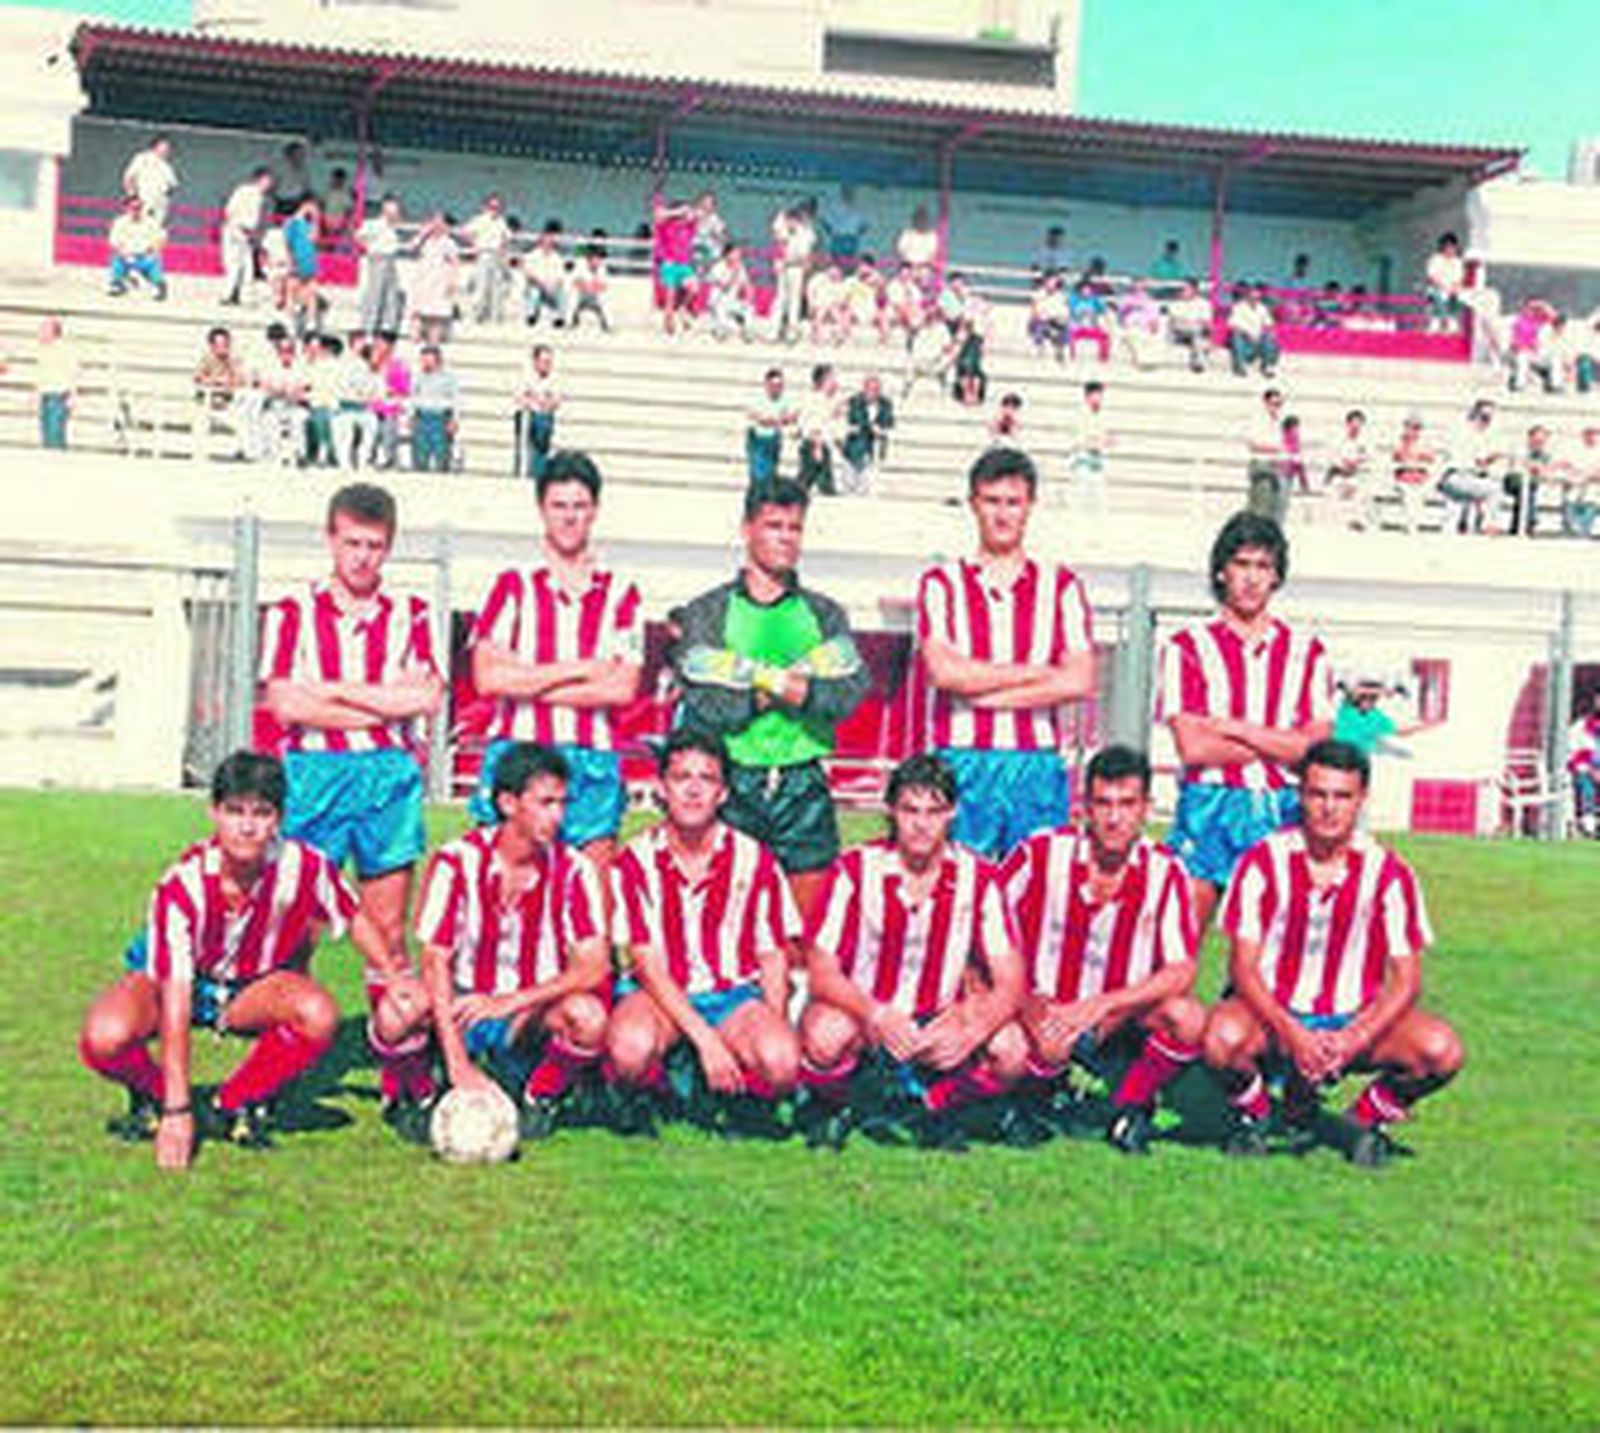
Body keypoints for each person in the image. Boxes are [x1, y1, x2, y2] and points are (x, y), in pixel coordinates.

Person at [78, 751, 393, 1167]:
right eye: (234, 811)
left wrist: (394, 976)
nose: (247, 826)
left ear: (279, 818)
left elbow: (352, 916)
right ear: (214, 813)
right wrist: (177, 1110)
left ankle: (235, 1103)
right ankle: (157, 1096)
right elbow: (176, 999)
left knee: (318, 1013)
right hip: (174, 982)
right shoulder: (183, 884)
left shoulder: (304, 865)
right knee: (105, 1036)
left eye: (261, 813)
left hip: (251, 987)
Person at [257, 483, 445, 1110]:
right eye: (352, 543)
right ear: (329, 539)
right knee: (297, 924)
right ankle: (287, 1061)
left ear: (388, 547)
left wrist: (332, 691)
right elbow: (286, 702)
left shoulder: (410, 615)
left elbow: (423, 698)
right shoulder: (291, 612)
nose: (362, 557)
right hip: (313, 777)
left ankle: (398, 1071)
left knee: (388, 928)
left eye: (374, 546)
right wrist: (377, 697)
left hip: (386, 777)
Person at [1203, 739, 1465, 1165]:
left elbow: (1407, 979)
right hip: (1275, 1016)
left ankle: (1360, 1120)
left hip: (1352, 1019)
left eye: (1342, 796)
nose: (1329, 807)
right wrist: (1294, 1036)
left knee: (1441, 1050)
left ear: (1361, 799)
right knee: (1220, 1038)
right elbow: (1243, 968)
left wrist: (1351, 1040)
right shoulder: (1262, 862)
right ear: (1300, 795)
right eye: (1318, 794)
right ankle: (1259, 1117)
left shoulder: (1389, 872)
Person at [799, 753, 1026, 1148]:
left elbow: (1011, 979)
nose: (921, 824)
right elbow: (821, 971)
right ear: (890, 810)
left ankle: (933, 1105)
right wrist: (875, 1014)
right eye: (910, 810)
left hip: (940, 1017)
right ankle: (841, 1104)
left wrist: (974, 1029)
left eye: (934, 811)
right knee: (824, 1035)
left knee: (1011, 1049)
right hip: (868, 1011)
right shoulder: (854, 869)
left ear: (952, 813)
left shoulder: (980, 878)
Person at [668, 479, 869, 920]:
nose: (785, 537)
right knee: (725, 928)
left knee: (804, 931)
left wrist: (750, 676)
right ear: (747, 530)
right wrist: (795, 683)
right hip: (731, 783)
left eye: (794, 528)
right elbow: (709, 703)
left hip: (803, 783)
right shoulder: (708, 611)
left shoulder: (824, 612)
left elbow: (845, 696)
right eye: (773, 525)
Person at [998, 745, 1205, 1152]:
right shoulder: (1040, 853)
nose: (1113, 818)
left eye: (1126, 804)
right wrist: (1021, 999)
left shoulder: (1165, 870)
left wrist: (1108, 1004)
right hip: (1043, 1007)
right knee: (1040, 1044)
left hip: (1117, 1016)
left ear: (1146, 807)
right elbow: (983, 926)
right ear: (1085, 807)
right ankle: (1028, 1102)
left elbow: (1181, 968)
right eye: (1103, 804)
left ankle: (1127, 1106)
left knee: (1188, 1017)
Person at [406, 742, 611, 1137]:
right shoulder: (456, 861)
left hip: (527, 1010)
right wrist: (457, 1063)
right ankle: (421, 1094)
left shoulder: (574, 869)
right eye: (546, 803)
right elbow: (435, 963)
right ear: (507, 803)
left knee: (589, 1017)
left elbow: (594, 965)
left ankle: (539, 1096)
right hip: (463, 1002)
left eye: (562, 803)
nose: (558, 816)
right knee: (400, 1007)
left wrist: (512, 1001)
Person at [606, 731, 802, 1125]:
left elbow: (772, 953)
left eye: (707, 779)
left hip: (731, 996)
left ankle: (732, 1088)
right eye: (682, 778)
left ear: (723, 793)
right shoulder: (634, 861)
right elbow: (646, 964)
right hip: (660, 996)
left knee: (781, 1062)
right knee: (630, 1049)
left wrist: (774, 1023)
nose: (693, 791)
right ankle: (667, 1085)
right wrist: (706, 1040)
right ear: (662, 787)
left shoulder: (754, 858)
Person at [468, 449, 643, 874]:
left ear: (595, 511)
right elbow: (488, 678)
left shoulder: (620, 591)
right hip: (517, 751)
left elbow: (621, 688)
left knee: (590, 909)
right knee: (505, 900)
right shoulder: (512, 585)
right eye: (559, 506)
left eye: (579, 506)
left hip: (591, 757)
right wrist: (582, 667)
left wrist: (526, 675)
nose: (569, 517)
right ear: (542, 510)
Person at [915, 447, 1095, 859]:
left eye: (1012, 502)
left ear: (1030, 506)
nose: (1002, 514)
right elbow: (945, 673)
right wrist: (1038, 673)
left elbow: (1081, 679)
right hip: (960, 760)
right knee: (957, 891)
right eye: (991, 501)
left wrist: (979, 690)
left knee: (1037, 897)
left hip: (1035, 762)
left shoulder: (1061, 585)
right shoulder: (942, 583)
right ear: (973, 504)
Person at [1158, 512, 1333, 931]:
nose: (1252, 578)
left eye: (1263, 567)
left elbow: (1311, 752)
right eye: (1242, 564)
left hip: (1282, 807)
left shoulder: (1306, 652)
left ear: (1276, 576)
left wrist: (1236, 727)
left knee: (1272, 960)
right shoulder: (1187, 647)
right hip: (1210, 803)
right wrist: (1280, 740)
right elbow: (1195, 748)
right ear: (1222, 570)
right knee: (1177, 948)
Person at [1439, 398, 1512, 535]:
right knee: (1494, 490)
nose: (1487, 421)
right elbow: (1472, 461)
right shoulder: (1463, 432)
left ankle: (1476, 525)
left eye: (1489, 417)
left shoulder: (1486, 435)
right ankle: (1489, 524)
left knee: (1490, 484)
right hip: (1456, 476)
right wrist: (1487, 460)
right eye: (1484, 417)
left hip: (1471, 477)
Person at [1333, 673, 1440, 759]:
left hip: (1368, 749)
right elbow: (1355, 691)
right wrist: (1385, 691)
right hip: (1345, 751)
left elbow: (1400, 732)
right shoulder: (1347, 710)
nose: (1369, 701)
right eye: (1364, 697)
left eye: (1373, 698)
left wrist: (1424, 727)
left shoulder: (1375, 716)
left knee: (1405, 754)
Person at [221, 167, 274, 306]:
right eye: (268, 180)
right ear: (260, 179)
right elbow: (230, 211)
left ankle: (235, 295)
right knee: (238, 265)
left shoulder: (259, 196)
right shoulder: (246, 192)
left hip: (243, 231)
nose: (269, 184)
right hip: (238, 230)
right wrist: (241, 229)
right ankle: (232, 294)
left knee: (243, 266)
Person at [356, 194, 406, 336]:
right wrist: (370, 248)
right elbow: (359, 236)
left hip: (390, 259)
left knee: (391, 294)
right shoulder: (374, 224)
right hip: (378, 258)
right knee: (375, 294)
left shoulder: (395, 227)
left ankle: (387, 327)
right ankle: (368, 328)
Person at [408, 210, 460, 345]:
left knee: (436, 316)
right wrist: (423, 233)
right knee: (417, 313)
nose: (436, 224)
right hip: (423, 279)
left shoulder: (449, 243)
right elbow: (412, 248)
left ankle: (433, 346)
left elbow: (454, 263)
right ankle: (414, 341)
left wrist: (452, 282)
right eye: (434, 221)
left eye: (440, 221)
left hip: (439, 281)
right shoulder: (425, 240)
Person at [462, 192, 513, 325]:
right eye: (492, 207)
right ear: (485, 207)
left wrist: (503, 252)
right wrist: (474, 245)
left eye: (497, 207)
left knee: (497, 288)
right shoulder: (479, 220)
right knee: (481, 287)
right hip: (484, 254)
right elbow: (465, 232)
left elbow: (507, 238)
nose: (495, 210)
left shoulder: (502, 222)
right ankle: (475, 318)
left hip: (497, 256)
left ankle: (494, 319)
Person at [409, 343, 460, 473]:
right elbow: (412, 397)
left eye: (428, 360)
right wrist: (411, 416)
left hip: (440, 418)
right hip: (422, 417)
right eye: (423, 360)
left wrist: (454, 419)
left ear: (437, 360)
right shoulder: (418, 377)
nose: (425, 363)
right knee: (420, 454)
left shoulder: (448, 379)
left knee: (441, 453)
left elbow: (455, 400)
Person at [1244, 387, 1292, 525]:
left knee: (1276, 506)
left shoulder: (1279, 422)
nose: (1276, 407)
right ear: (1265, 402)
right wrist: (1276, 449)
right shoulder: (1258, 419)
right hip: (1262, 464)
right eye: (1273, 403)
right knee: (1260, 506)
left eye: (1279, 404)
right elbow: (1253, 444)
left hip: (1276, 466)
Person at [771, 202, 817, 343]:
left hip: (796, 268)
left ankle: (792, 331)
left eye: (793, 220)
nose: (790, 223)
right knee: (780, 298)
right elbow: (778, 242)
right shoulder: (783, 229)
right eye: (788, 220)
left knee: (794, 300)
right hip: (783, 267)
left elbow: (806, 254)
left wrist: (804, 265)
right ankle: (774, 330)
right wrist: (778, 261)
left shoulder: (806, 233)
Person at [841, 372, 894, 495]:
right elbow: (858, 420)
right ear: (864, 389)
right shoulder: (854, 401)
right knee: (849, 485)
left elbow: (889, 422)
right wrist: (872, 428)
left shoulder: (885, 404)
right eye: (870, 389)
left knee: (867, 488)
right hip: (854, 447)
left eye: (876, 390)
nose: (873, 393)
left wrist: (881, 429)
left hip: (873, 449)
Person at [514, 343, 561, 481]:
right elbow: (520, 399)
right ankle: (524, 470)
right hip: (527, 415)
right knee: (528, 418)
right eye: (544, 361)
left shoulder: (554, 379)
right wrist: (538, 402)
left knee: (543, 421)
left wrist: (538, 402)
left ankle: (539, 471)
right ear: (535, 362)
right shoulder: (525, 377)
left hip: (543, 416)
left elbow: (555, 401)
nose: (548, 365)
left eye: (549, 362)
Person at [33, 316, 79, 452]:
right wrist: (36, 393)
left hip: (58, 396)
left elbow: (73, 373)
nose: (40, 332)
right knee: (46, 434)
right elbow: (41, 375)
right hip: (45, 395)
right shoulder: (42, 351)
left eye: (44, 329)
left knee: (55, 434)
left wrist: (73, 395)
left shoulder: (65, 350)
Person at [796, 362, 842, 496]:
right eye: (832, 379)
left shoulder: (827, 400)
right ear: (823, 381)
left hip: (820, 444)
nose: (835, 382)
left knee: (807, 481)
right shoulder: (815, 400)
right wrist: (818, 447)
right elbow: (814, 426)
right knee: (817, 484)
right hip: (815, 445)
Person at [107, 196, 167, 300]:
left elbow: (161, 237)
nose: (136, 211)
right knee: (117, 261)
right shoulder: (120, 223)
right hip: (126, 256)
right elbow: (114, 240)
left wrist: (153, 248)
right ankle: (117, 284)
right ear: (127, 208)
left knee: (154, 263)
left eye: (139, 207)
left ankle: (158, 285)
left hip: (145, 256)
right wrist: (122, 252)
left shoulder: (151, 223)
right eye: (133, 208)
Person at [1066, 380, 1113, 513]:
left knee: (1099, 504)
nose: (1099, 398)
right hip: (1083, 463)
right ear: (1088, 396)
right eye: (1096, 394)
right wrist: (1101, 442)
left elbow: (1100, 439)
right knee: (1079, 503)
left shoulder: (1100, 416)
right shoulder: (1081, 416)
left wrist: (1104, 441)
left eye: (1100, 395)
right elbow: (1084, 441)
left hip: (1096, 463)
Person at [1390, 412, 1439, 533]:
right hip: (1405, 477)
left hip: (1420, 477)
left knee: (1418, 494)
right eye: (1411, 427)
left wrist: (1418, 459)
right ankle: (1411, 525)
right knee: (1409, 495)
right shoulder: (1400, 442)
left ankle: (1413, 524)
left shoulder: (1426, 443)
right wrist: (1408, 446)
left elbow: (1430, 459)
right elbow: (1398, 458)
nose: (1414, 431)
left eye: (1417, 428)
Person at [1324, 409, 1374, 529]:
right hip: (1338, 475)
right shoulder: (1337, 439)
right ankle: (1331, 526)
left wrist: (1356, 463)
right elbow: (1332, 458)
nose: (1356, 427)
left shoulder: (1366, 442)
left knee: (1363, 491)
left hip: (1355, 476)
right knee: (1331, 496)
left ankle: (1358, 523)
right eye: (1354, 424)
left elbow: (1368, 459)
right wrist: (1344, 464)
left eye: (1359, 424)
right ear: (1348, 423)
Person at [746, 366, 795, 487]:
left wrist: (779, 421)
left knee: (771, 471)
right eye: (774, 385)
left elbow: (790, 417)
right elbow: (757, 417)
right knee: (759, 472)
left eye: (780, 385)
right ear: (767, 384)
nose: (777, 388)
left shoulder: (784, 400)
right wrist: (777, 420)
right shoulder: (757, 399)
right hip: (758, 438)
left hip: (773, 438)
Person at [122, 134, 177, 228]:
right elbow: (128, 178)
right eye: (163, 147)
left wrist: (165, 196)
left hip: (159, 209)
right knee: (136, 232)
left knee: (154, 236)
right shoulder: (142, 159)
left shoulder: (167, 167)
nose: (166, 151)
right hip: (140, 205)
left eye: (168, 149)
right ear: (155, 146)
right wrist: (132, 196)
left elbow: (173, 186)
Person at [523, 223, 570, 330]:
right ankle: (531, 316)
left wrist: (553, 284)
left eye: (550, 242)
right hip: (537, 284)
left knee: (562, 292)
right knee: (534, 291)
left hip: (551, 285)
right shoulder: (532, 255)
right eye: (545, 242)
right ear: (541, 242)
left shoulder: (556, 257)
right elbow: (528, 272)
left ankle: (559, 318)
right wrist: (541, 283)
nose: (547, 244)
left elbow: (560, 275)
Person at [1227, 284, 1279, 378]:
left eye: (1257, 298)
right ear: (1247, 297)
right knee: (1237, 337)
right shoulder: (1239, 307)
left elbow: (1269, 324)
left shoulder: (1262, 308)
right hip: (1244, 338)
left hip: (1258, 338)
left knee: (1269, 338)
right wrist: (1246, 333)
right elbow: (1232, 323)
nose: (1254, 300)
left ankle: (1268, 366)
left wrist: (1267, 333)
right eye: (1252, 297)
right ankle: (1241, 366)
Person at [1567, 689, 1600, 837]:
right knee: (1586, 783)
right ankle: (1590, 825)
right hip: (1587, 771)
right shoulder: (1581, 727)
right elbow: (1573, 754)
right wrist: (1591, 770)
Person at [566, 237, 613, 332]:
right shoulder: (580, 264)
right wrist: (589, 286)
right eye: (596, 258)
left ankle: (608, 325)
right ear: (590, 258)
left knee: (604, 298)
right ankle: (569, 323)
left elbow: (604, 286)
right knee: (573, 296)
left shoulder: (602, 268)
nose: (598, 261)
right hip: (581, 295)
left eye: (600, 258)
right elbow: (576, 282)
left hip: (594, 296)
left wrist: (589, 286)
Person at [1167, 279, 1213, 373]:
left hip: (1196, 332)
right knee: (1195, 331)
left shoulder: (1204, 304)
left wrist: (1191, 322)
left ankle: (1197, 363)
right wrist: (1191, 322)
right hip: (1179, 333)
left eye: (1185, 289)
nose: (1182, 291)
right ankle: (1198, 362)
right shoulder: (1176, 304)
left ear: (1194, 290)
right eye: (1182, 289)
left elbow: (1206, 322)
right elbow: (1173, 321)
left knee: (1198, 335)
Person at [1424, 232, 1466, 332]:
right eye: (1447, 247)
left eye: (1452, 247)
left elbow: (1459, 279)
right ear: (1443, 247)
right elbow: (1432, 277)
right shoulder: (1435, 260)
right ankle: (1442, 319)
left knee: (1461, 295)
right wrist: (1444, 287)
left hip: (1452, 290)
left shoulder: (1457, 262)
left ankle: (1452, 319)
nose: (1450, 250)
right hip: (1437, 288)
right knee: (1439, 295)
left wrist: (1453, 288)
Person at [822, 183, 869, 263]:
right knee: (836, 262)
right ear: (841, 192)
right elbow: (824, 221)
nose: (848, 193)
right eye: (845, 191)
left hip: (852, 238)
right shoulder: (834, 204)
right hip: (838, 238)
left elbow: (865, 225)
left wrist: (856, 233)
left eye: (850, 191)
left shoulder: (859, 206)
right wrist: (833, 233)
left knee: (850, 262)